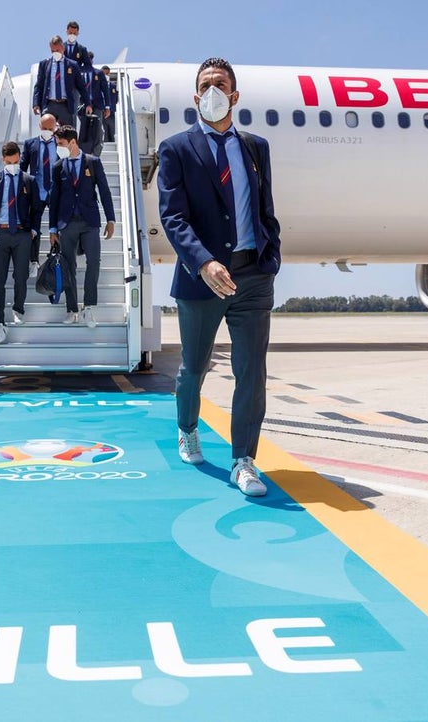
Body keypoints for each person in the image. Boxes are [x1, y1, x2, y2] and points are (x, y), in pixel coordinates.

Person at [156, 57, 282, 497]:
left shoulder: (255, 147)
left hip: (252, 276)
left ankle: (243, 459)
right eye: (206, 85)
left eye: (220, 84)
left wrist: (271, 257)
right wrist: (204, 262)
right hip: (201, 278)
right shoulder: (176, 149)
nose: (213, 90)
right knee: (193, 367)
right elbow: (173, 216)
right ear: (196, 97)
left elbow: (264, 210)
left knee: (252, 372)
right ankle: (187, 428)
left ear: (234, 95)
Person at [48, 124, 114, 328]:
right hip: (67, 224)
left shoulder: (93, 162)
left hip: (89, 222)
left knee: (94, 263)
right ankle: (72, 309)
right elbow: (55, 198)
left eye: (60, 143)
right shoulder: (59, 167)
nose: (58, 147)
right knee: (69, 267)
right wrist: (52, 229)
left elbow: (104, 191)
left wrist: (111, 219)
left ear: (73, 142)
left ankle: (89, 309)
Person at [0, 141, 40, 344]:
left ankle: (18, 309)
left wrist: (33, 230)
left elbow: (36, 209)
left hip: (22, 235)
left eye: (16, 161)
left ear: (20, 157)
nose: (13, 164)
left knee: (21, 277)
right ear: (3, 160)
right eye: (9, 161)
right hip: (0, 233)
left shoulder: (29, 180)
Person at [20, 113, 60, 274]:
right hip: (36, 191)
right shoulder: (30, 144)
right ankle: (34, 260)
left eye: (50, 129)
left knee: (57, 224)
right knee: (33, 226)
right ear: (39, 126)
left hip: (55, 190)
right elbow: (23, 166)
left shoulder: (60, 144)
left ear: (55, 127)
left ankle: (58, 257)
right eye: (44, 128)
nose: (47, 131)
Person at [33, 36, 89, 129]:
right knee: (47, 134)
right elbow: (39, 86)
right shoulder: (44, 64)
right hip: (49, 105)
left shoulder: (72, 65)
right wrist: (36, 104)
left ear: (63, 48)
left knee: (68, 135)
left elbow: (81, 86)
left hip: (66, 106)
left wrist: (88, 104)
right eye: (52, 51)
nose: (55, 53)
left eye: (57, 50)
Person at [100, 65, 119, 143]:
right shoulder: (98, 86)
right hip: (101, 112)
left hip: (111, 113)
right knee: (104, 133)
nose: (106, 75)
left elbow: (116, 99)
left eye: (107, 74)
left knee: (112, 132)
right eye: (104, 74)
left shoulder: (113, 86)